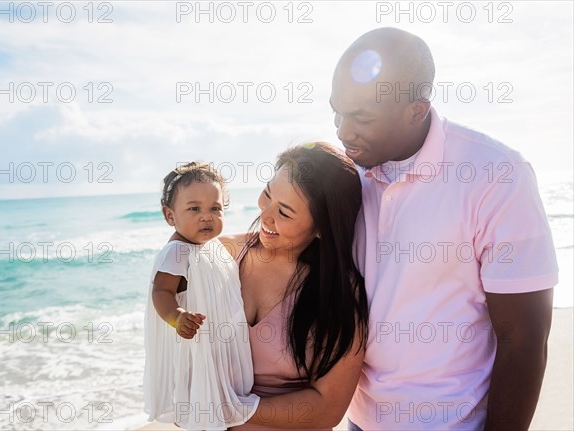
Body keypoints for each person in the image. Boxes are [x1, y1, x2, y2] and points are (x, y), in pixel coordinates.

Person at [330, 27, 559, 430]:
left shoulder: (496, 174)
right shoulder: (349, 174)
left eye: (362, 117)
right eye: (337, 111)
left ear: (416, 110)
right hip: (360, 421)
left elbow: (523, 338)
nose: (343, 131)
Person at [221, 142, 370, 430]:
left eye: (285, 213)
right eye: (267, 193)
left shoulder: (339, 292)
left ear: (321, 228)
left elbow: (327, 409)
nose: (266, 215)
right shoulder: (222, 254)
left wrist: (229, 408)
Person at [143, 162, 259, 430]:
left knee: (216, 396)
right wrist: (176, 316)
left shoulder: (210, 246)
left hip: (215, 342)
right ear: (170, 216)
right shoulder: (177, 252)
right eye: (194, 209)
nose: (206, 216)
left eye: (215, 208)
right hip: (194, 342)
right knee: (201, 402)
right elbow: (161, 291)